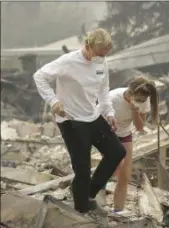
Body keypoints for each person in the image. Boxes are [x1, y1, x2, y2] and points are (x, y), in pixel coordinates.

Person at [33, 28, 126, 215]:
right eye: (99, 54)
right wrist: (53, 101)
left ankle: (86, 195)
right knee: (82, 169)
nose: (102, 58)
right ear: (88, 46)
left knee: (116, 152)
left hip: (92, 115)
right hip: (71, 119)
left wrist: (109, 112)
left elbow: (103, 89)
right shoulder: (68, 62)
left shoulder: (102, 61)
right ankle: (81, 212)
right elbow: (39, 76)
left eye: (105, 55)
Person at [101, 76, 159, 212]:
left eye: (142, 101)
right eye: (138, 99)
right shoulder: (113, 98)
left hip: (125, 134)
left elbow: (139, 127)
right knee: (113, 167)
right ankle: (97, 196)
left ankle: (118, 210)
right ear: (130, 92)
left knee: (124, 175)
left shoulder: (143, 102)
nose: (140, 102)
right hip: (106, 133)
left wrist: (135, 111)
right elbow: (97, 120)